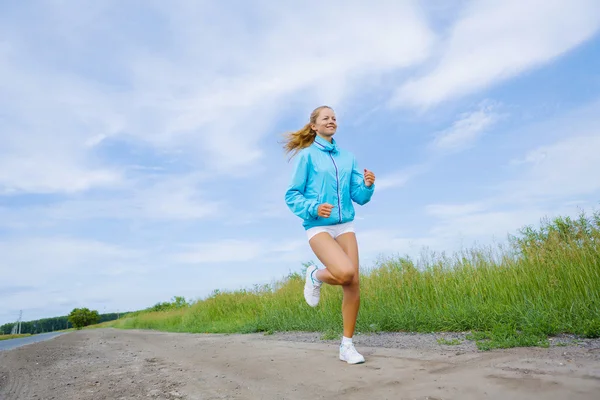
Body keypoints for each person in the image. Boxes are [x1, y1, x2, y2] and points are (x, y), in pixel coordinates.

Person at [283, 105, 376, 364]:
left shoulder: (348, 157)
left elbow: (359, 197)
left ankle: (347, 346)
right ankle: (315, 274)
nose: (331, 121)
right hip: (317, 225)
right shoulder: (307, 156)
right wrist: (314, 207)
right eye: (326, 118)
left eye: (334, 118)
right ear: (314, 125)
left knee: (353, 283)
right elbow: (292, 194)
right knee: (345, 272)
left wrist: (367, 185)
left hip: (345, 223)